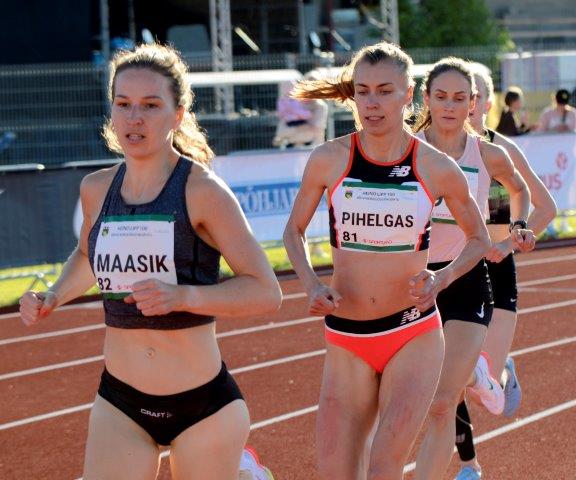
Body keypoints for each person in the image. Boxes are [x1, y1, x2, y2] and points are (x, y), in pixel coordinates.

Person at [18, 43, 282, 480]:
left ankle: (242, 473)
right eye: (123, 104)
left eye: (150, 105)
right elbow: (87, 254)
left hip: (202, 404)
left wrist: (183, 296)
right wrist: (53, 295)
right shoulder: (96, 188)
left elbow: (266, 291)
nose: (134, 117)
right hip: (121, 401)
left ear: (178, 115)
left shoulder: (203, 192)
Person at [284, 42, 491, 480]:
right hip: (346, 337)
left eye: (384, 91)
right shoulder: (329, 158)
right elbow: (293, 231)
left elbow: (479, 239)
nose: (371, 103)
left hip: (411, 334)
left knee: (383, 466)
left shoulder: (435, 166)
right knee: (335, 472)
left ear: (408, 94)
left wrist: (443, 277)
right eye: (363, 92)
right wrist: (311, 284)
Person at [411, 57, 535, 480]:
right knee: (406, 399)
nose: (449, 106)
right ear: (426, 99)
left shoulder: (488, 154)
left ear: (473, 103)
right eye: (441, 97)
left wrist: (517, 228)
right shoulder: (405, 148)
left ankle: (466, 464)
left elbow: (519, 190)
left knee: (442, 402)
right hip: (413, 282)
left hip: (465, 279)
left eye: (459, 98)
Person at [450, 63, 557, 480]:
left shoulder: (501, 151)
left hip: (495, 269)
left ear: (486, 104)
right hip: (452, 270)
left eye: (474, 97)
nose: (466, 105)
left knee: (485, 390)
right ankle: (469, 465)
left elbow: (545, 208)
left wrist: (508, 243)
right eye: (460, 96)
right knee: (447, 379)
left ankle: (501, 368)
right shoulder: (436, 150)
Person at [272, 79, 328, 148]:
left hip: (308, 132)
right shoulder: (286, 101)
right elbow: (281, 115)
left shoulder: (320, 106)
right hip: (293, 128)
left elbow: (318, 125)